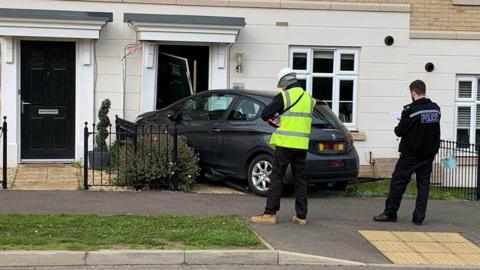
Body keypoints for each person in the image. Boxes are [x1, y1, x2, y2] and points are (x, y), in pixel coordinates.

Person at [250, 67, 315, 225]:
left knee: (277, 176)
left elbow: (265, 114)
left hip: (285, 144)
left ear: (285, 82)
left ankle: (270, 214)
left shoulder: (284, 96)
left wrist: (276, 120)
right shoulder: (309, 98)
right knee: (300, 179)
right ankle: (301, 216)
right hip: (302, 145)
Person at [374, 80, 441, 225]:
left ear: (413, 92)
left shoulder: (411, 111)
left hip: (411, 154)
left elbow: (400, 131)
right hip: (428, 155)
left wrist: (401, 120)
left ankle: (390, 213)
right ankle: (418, 217)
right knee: (423, 186)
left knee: (398, 183)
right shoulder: (435, 109)